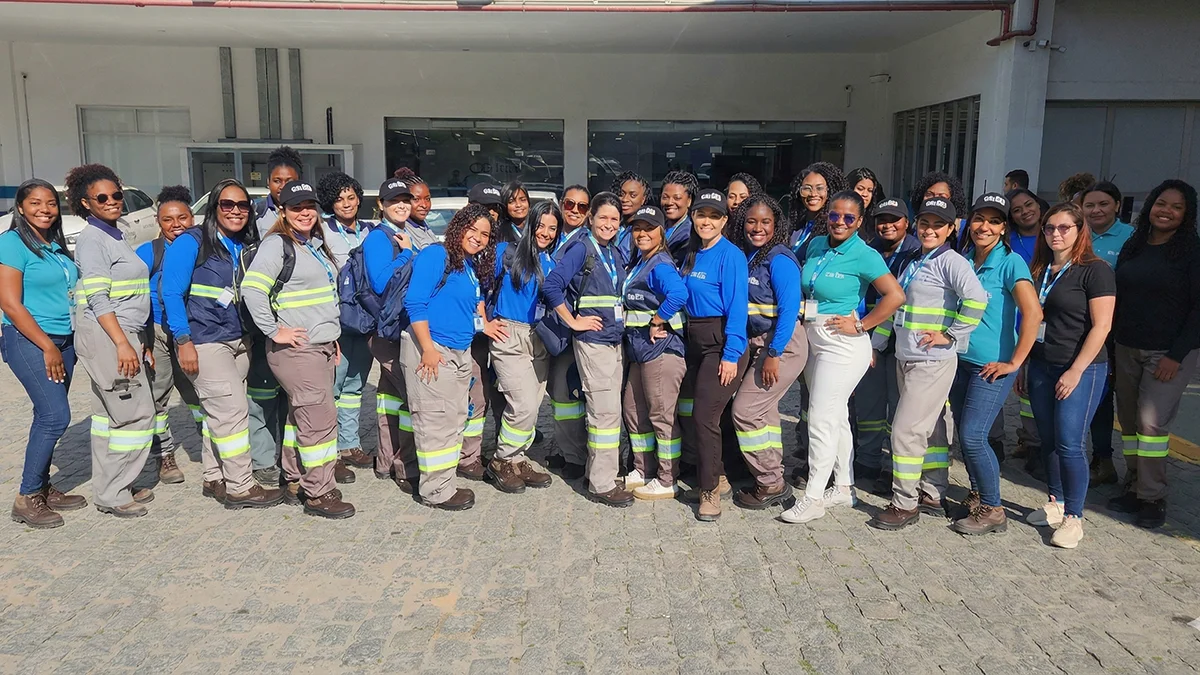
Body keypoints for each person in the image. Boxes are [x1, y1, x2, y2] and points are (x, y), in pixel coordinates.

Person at [781, 191, 904, 525]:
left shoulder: (865, 254)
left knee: (820, 416)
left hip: (843, 344)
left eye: (849, 218)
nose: (839, 222)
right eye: (834, 215)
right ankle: (845, 486)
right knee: (834, 417)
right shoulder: (818, 244)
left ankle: (814, 497)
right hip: (813, 337)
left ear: (859, 222)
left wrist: (862, 324)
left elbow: (895, 296)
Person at [161, 179, 283, 509]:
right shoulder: (193, 242)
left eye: (242, 205)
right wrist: (183, 340)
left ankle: (215, 477)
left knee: (220, 413)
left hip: (239, 339)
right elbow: (171, 293)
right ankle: (241, 487)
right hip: (204, 340)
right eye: (227, 204)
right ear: (214, 207)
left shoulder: (247, 242)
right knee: (233, 412)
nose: (236, 211)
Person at [867, 198, 987, 530]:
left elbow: (977, 300)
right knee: (930, 428)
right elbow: (895, 307)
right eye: (924, 223)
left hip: (932, 361)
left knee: (905, 431)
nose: (929, 229)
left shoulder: (952, 262)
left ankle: (904, 503)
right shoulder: (913, 260)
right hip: (907, 357)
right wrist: (876, 344)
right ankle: (933, 492)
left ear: (951, 229)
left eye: (938, 224)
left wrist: (950, 334)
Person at [242, 180, 355, 519]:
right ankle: (319, 493)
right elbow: (252, 290)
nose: (305, 212)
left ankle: (295, 480)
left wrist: (330, 336)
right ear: (283, 211)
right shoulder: (278, 244)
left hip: (319, 347)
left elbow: (321, 301)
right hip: (297, 351)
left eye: (310, 206)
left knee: (300, 418)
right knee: (319, 420)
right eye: (296, 207)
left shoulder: (313, 245)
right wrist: (275, 331)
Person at [946, 193, 1041, 536]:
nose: (984, 226)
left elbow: (1033, 313)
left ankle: (994, 508)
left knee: (973, 436)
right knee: (964, 433)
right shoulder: (964, 259)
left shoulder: (1010, 262)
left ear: (1003, 228)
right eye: (978, 219)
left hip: (992, 365)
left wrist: (1014, 360)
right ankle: (976, 493)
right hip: (959, 360)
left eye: (994, 221)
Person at [1108, 180, 1200, 529]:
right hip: (1127, 346)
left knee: (1151, 424)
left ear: (1187, 214)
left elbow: (1197, 311)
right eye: (1162, 203)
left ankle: (1153, 497)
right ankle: (1134, 484)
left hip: (1168, 353)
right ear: (1151, 205)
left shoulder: (1192, 251)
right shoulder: (1135, 245)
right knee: (1130, 423)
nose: (1167, 211)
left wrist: (1175, 356)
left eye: (1177, 207)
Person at [1024, 202, 1115, 549]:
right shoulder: (1041, 269)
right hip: (1043, 363)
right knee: (1047, 438)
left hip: (1082, 368)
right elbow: (1034, 323)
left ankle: (1074, 517)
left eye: (1064, 228)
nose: (1055, 234)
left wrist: (1076, 370)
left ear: (1080, 230)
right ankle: (1055, 501)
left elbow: (1102, 325)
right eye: (1049, 228)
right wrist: (1026, 364)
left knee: (1069, 442)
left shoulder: (1095, 270)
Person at [68, 164, 156, 517]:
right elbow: (98, 298)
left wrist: (138, 338)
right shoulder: (92, 239)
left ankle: (112, 485)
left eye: (116, 194)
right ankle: (115, 492)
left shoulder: (116, 232)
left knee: (108, 416)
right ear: (85, 203)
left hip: (119, 331)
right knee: (136, 414)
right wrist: (123, 343)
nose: (112, 201)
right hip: (108, 333)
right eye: (101, 197)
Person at [1, 180, 88, 527]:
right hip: (30, 340)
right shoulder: (11, 244)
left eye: (51, 203)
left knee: (46, 414)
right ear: (20, 207)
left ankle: (43, 486)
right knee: (56, 416)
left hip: (63, 339)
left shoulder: (53, 245)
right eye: (35, 203)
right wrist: (48, 345)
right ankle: (27, 496)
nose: (45, 209)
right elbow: (9, 302)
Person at [402, 204, 500, 511]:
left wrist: (483, 325)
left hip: (459, 350)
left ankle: (443, 481)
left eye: (485, 234)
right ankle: (435, 491)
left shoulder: (468, 266)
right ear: (460, 227)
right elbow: (415, 302)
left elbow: (467, 307)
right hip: (433, 350)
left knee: (455, 418)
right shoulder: (436, 255)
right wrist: (428, 349)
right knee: (435, 421)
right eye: (473, 230)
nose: (479, 238)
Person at [543, 192, 632, 507]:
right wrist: (574, 322)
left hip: (613, 340)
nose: (609, 224)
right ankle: (602, 484)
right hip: (593, 344)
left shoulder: (614, 251)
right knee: (604, 414)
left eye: (614, 219)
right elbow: (551, 286)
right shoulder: (582, 248)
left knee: (610, 411)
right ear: (591, 218)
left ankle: (602, 471)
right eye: (603, 218)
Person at [725, 195, 806, 510]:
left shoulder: (779, 259)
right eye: (751, 221)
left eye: (765, 222)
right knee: (765, 413)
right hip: (761, 343)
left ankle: (771, 484)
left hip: (781, 345)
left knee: (744, 411)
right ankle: (771, 475)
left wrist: (773, 352)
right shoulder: (751, 255)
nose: (757, 228)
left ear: (777, 225)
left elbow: (788, 312)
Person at [676, 189, 750, 521]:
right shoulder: (693, 252)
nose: (706, 221)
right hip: (693, 339)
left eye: (714, 216)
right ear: (693, 217)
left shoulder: (730, 255)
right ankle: (716, 477)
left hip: (721, 344)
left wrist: (731, 354)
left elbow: (737, 308)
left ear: (724, 220)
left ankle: (709, 492)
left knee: (705, 416)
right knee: (701, 414)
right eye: (701, 215)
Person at [484, 200, 559, 493]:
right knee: (523, 404)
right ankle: (501, 459)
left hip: (539, 337)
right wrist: (485, 323)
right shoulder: (506, 251)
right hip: (508, 336)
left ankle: (517, 457)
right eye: (541, 225)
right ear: (531, 224)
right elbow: (478, 285)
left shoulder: (551, 260)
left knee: (534, 405)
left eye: (553, 228)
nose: (546, 233)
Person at [618, 205, 688, 500]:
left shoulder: (660, 263)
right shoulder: (641, 261)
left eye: (649, 228)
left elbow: (679, 294)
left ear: (662, 232)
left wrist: (659, 319)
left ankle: (667, 477)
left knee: (661, 415)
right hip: (640, 350)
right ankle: (642, 467)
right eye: (637, 228)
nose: (642, 233)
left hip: (662, 351)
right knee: (634, 411)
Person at [134, 185, 202, 486]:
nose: (176, 225)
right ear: (157, 222)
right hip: (159, 333)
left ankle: (214, 447)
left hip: (196, 332)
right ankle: (164, 456)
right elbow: (133, 299)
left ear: (193, 218)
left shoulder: (203, 248)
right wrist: (143, 342)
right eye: (167, 219)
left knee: (200, 395)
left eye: (183, 217)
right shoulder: (148, 253)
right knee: (158, 397)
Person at [853, 198, 921, 491]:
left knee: (899, 410)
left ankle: (895, 467)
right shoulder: (868, 250)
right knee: (868, 406)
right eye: (882, 219)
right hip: (869, 340)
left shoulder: (918, 252)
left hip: (902, 342)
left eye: (895, 219)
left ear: (907, 222)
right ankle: (867, 461)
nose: (888, 225)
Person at [247, 146, 304, 488]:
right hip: (264, 325)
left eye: (290, 180)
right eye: (277, 180)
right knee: (263, 394)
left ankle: (291, 459)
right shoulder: (254, 218)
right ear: (267, 183)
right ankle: (264, 460)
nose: (282, 186)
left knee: (294, 397)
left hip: (296, 324)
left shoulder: (308, 215)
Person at [786, 162, 847, 476]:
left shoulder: (834, 229)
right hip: (800, 320)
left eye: (820, 188)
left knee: (825, 399)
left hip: (827, 323)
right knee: (808, 396)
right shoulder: (796, 226)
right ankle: (810, 453)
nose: (812, 194)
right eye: (807, 187)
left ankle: (827, 468)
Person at [316, 172, 375, 475]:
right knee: (332, 387)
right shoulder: (321, 232)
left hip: (364, 321)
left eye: (351, 197)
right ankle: (330, 452)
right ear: (330, 203)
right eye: (339, 199)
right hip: (335, 320)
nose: (347, 203)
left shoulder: (371, 230)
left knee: (354, 384)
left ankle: (350, 444)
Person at [363, 178, 418, 492]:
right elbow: (382, 282)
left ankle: (385, 460)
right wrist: (406, 254)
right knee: (411, 395)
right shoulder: (378, 239)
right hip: (386, 330)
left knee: (388, 397)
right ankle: (405, 467)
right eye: (395, 200)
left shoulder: (401, 233)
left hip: (394, 327)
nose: (402, 205)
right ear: (381, 205)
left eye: (405, 200)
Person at [1081, 181, 1134, 485]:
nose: (1096, 210)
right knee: (1095, 398)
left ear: (1116, 205)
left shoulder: (1130, 238)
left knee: (1113, 399)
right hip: (1080, 329)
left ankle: (1128, 469)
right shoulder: (1077, 234)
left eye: (1103, 204)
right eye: (1090, 205)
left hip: (1117, 333)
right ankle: (1099, 460)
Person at [546, 185, 591, 477]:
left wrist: (574, 321)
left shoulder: (584, 242)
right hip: (551, 329)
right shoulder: (553, 236)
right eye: (569, 203)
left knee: (567, 396)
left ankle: (576, 457)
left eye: (582, 206)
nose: (574, 210)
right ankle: (566, 449)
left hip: (570, 331)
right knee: (556, 392)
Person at [1004, 187, 1050, 468]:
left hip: (1046, 323)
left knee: (1041, 386)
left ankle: (1043, 445)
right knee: (1024, 389)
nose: (1025, 211)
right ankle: (1030, 440)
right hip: (1017, 322)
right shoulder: (1010, 241)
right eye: (1017, 210)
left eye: (1029, 204)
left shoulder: (1051, 237)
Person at [658, 171, 698, 263]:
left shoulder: (689, 235)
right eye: (665, 197)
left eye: (677, 198)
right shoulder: (659, 225)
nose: (669, 202)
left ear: (689, 201)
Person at [612, 171, 653, 250]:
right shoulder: (615, 225)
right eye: (621, 194)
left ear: (643, 199)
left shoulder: (644, 232)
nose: (625, 199)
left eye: (633, 195)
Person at [846, 167, 886, 243]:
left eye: (870, 191)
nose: (865, 194)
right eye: (860, 189)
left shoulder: (875, 220)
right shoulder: (839, 217)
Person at [395, 168, 434, 238]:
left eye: (427, 199)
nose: (424, 205)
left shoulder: (424, 226)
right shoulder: (402, 232)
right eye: (416, 199)